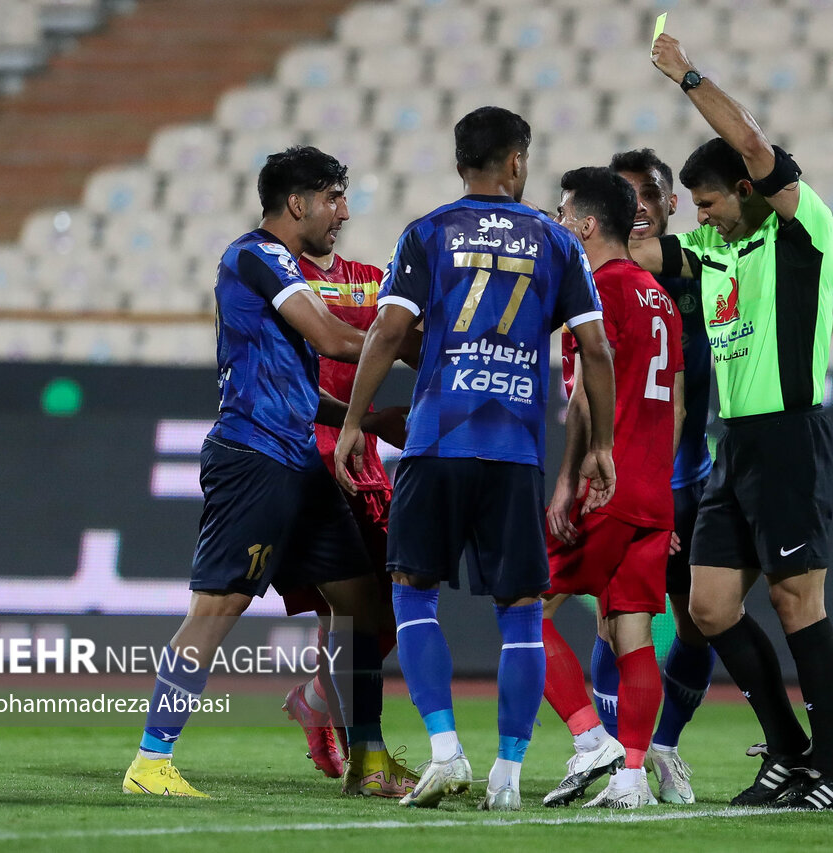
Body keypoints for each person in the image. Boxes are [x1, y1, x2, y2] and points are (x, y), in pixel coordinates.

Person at [333, 106, 617, 812]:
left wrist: (350, 424)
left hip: (437, 438)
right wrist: (602, 444)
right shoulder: (557, 241)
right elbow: (598, 350)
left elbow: (387, 331)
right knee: (521, 609)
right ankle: (509, 775)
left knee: (413, 592)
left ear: (462, 162)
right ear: (516, 161)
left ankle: (443, 751)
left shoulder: (428, 232)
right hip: (515, 448)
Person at [631, 33, 833, 811]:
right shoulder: (713, 247)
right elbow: (642, 255)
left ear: (745, 188)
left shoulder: (804, 233)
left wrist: (688, 76)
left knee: (800, 602)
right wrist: (584, 227)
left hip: (791, 436)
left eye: (710, 203)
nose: (703, 218)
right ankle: (791, 755)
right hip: (735, 447)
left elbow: (755, 141)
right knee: (708, 606)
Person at [121, 146, 398, 798]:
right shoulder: (256, 255)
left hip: (299, 454)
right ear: (297, 202)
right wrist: (421, 340)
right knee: (219, 606)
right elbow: (332, 338)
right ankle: (151, 761)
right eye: (333, 197)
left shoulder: (279, 265)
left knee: (361, 604)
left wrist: (369, 417)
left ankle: (368, 759)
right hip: (255, 457)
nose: (343, 212)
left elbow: (296, 386)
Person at [539, 166, 684, 811]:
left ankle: (588, 737)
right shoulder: (660, 296)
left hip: (608, 486)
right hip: (653, 492)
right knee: (631, 633)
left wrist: (571, 478)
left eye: (566, 214)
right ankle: (630, 774)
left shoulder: (594, 292)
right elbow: (677, 405)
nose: (561, 223)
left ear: (589, 224)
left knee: (523, 609)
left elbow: (585, 399)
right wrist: (660, 484)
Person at [577, 148, 717, 806]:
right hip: (635, 474)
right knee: (615, 620)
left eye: (647, 198)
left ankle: (660, 745)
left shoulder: (683, 267)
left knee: (697, 622)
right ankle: (620, 755)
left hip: (680, 477)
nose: (636, 209)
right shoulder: (603, 282)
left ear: (669, 208)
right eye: (622, 198)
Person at [278, 245, 417, 798]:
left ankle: (317, 699)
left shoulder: (369, 278)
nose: (341, 211)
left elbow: (406, 336)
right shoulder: (281, 277)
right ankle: (362, 749)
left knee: (381, 609)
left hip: (362, 452)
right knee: (339, 609)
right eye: (331, 198)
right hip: (309, 453)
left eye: (343, 198)